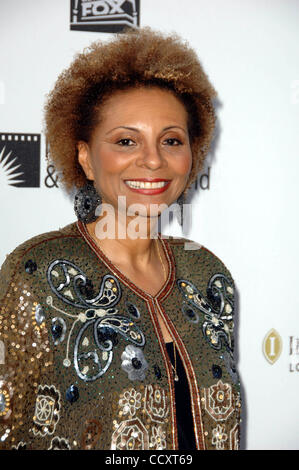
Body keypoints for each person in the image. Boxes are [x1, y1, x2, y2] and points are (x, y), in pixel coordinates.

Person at [0, 26, 241, 450]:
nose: (153, 159)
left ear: (192, 152)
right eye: (126, 140)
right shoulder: (36, 272)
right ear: (84, 158)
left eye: (171, 140)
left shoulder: (208, 275)